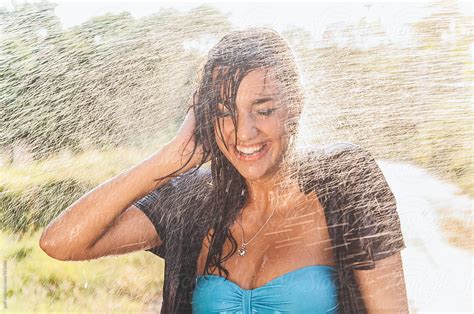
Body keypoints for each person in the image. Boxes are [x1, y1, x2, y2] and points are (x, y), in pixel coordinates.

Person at [40, 28, 408, 313]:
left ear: (295, 105)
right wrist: (168, 160)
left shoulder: (346, 182)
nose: (244, 132)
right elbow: (61, 243)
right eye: (223, 112)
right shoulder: (192, 201)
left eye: (263, 110)